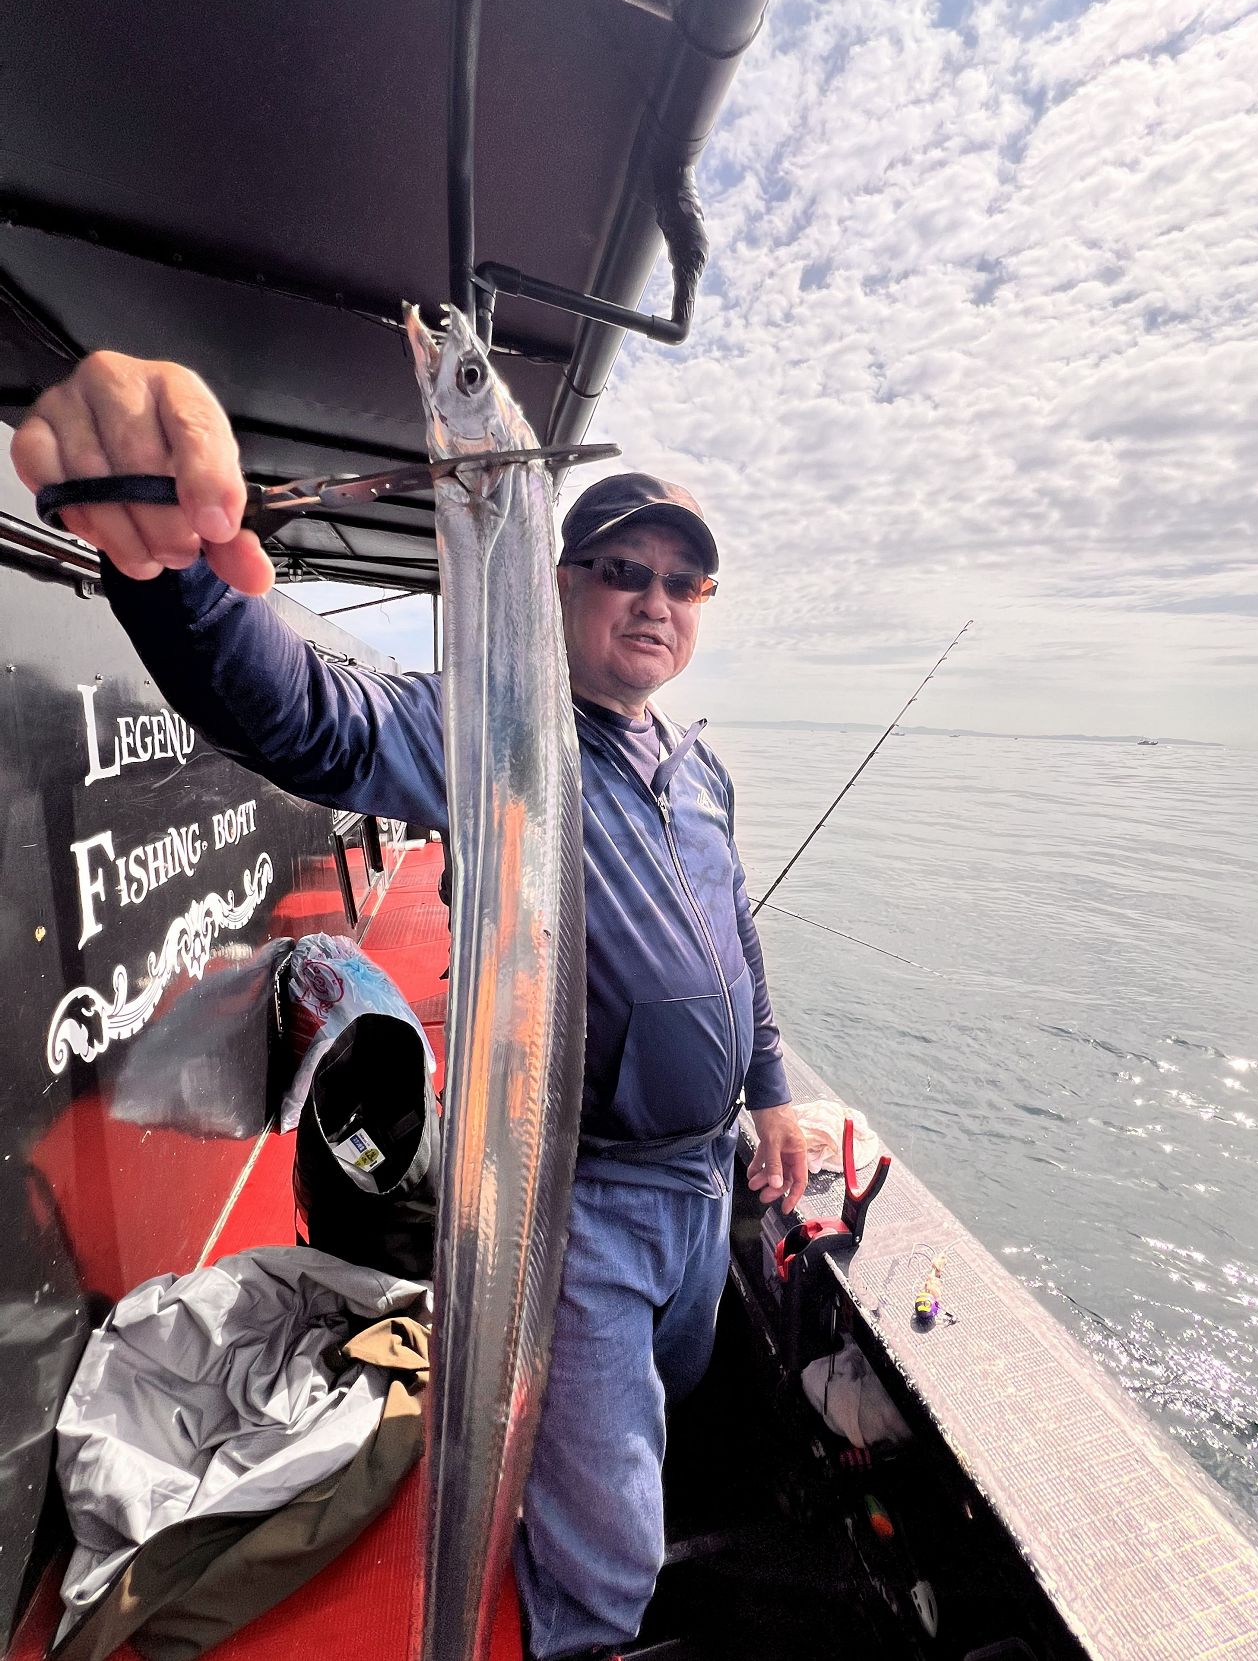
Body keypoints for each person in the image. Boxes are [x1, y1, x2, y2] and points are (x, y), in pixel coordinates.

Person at [12, 355, 808, 1661]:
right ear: (555, 584)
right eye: (623, 569)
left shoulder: (700, 769)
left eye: (684, 582)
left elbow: (739, 945)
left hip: (701, 1185)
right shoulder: (493, 732)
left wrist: (771, 1091)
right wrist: (174, 568)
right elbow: (308, 715)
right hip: (580, 1204)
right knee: (608, 1543)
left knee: (666, 1403)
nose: (655, 601)